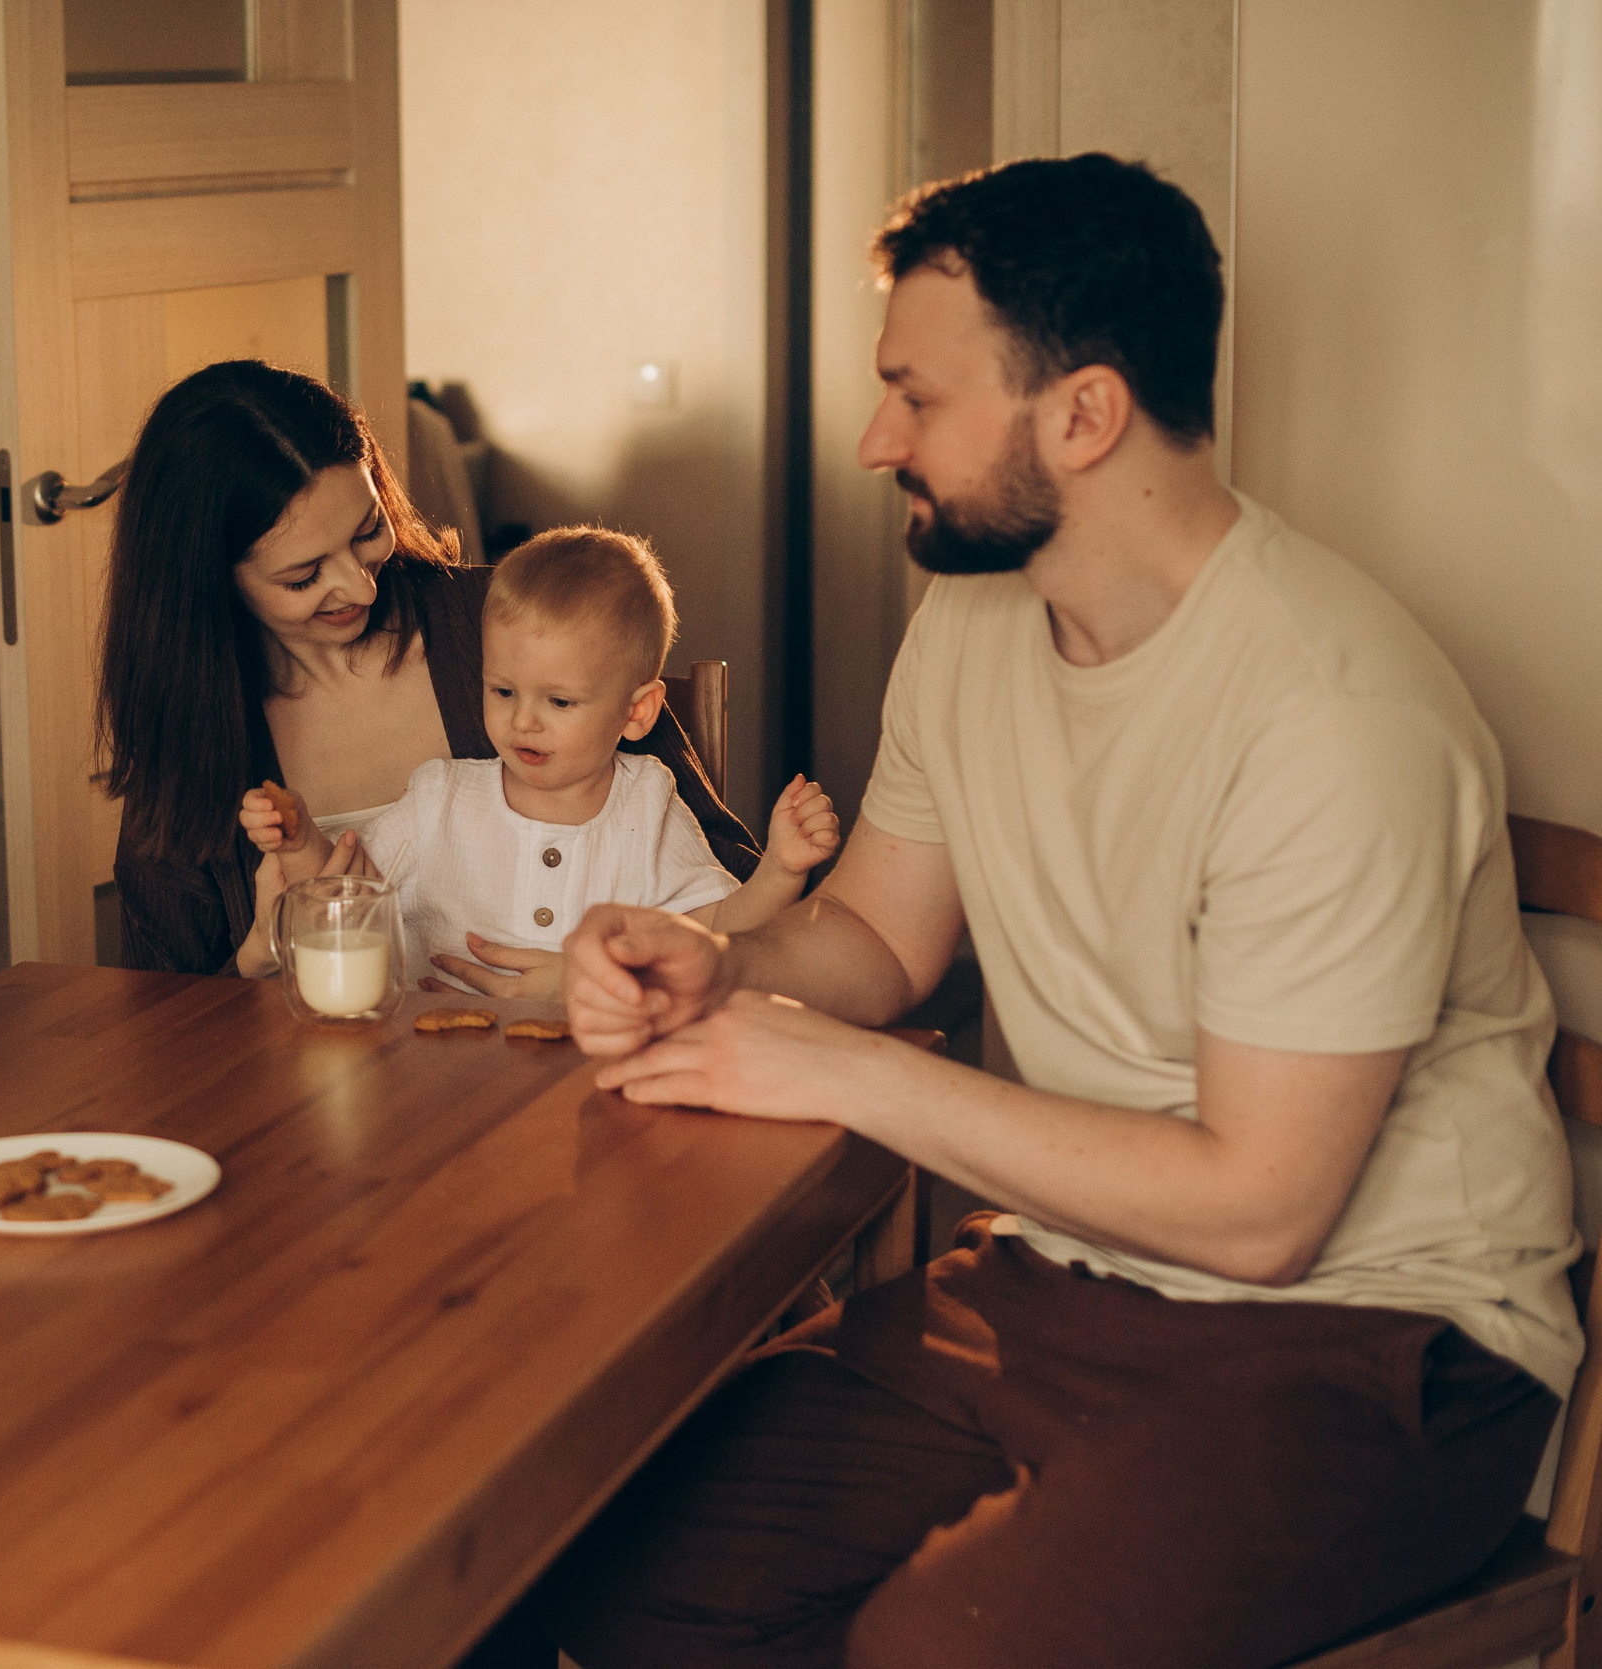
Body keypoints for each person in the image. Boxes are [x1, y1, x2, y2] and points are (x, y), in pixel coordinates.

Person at [531, 154, 1579, 1668]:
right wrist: (715, 958)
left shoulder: (1332, 713)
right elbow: (880, 944)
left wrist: (843, 1071)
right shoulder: (971, 619)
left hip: (1379, 1342)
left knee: (939, 1649)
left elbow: (1264, 1212)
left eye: (918, 395)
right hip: (1074, 1281)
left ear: (1083, 413)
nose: (875, 434)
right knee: (606, 1555)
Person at [98, 359, 758, 991]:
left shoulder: (506, 623)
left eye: (367, 531)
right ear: (209, 582)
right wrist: (261, 954)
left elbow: (733, 887)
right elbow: (162, 1032)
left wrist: (601, 977)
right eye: (304, 575)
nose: (357, 584)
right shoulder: (186, 746)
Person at [240, 526, 841, 988]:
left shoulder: (648, 803)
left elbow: (715, 936)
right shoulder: (440, 796)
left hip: (588, 1076)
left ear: (637, 713)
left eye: (558, 700)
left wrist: (782, 870)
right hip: (430, 1077)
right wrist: (297, 842)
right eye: (503, 691)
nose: (523, 720)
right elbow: (348, 890)